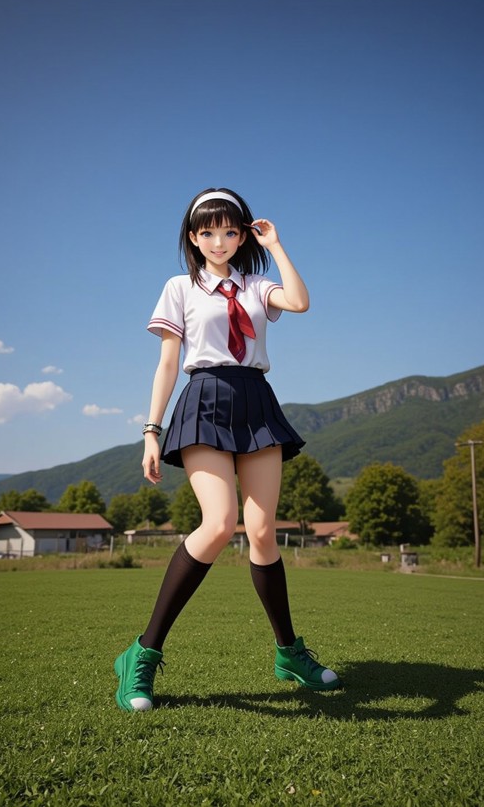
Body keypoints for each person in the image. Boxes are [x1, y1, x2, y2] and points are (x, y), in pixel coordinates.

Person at [114, 188, 340, 711]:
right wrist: (151, 428)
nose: (221, 241)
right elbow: (168, 363)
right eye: (209, 232)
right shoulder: (180, 288)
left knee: (262, 530)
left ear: (242, 236)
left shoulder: (258, 285)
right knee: (219, 523)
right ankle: (142, 654)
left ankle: (289, 654)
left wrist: (277, 246)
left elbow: (301, 302)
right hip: (205, 400)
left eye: (231, 231)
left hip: (256, 400)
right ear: (194, 238)